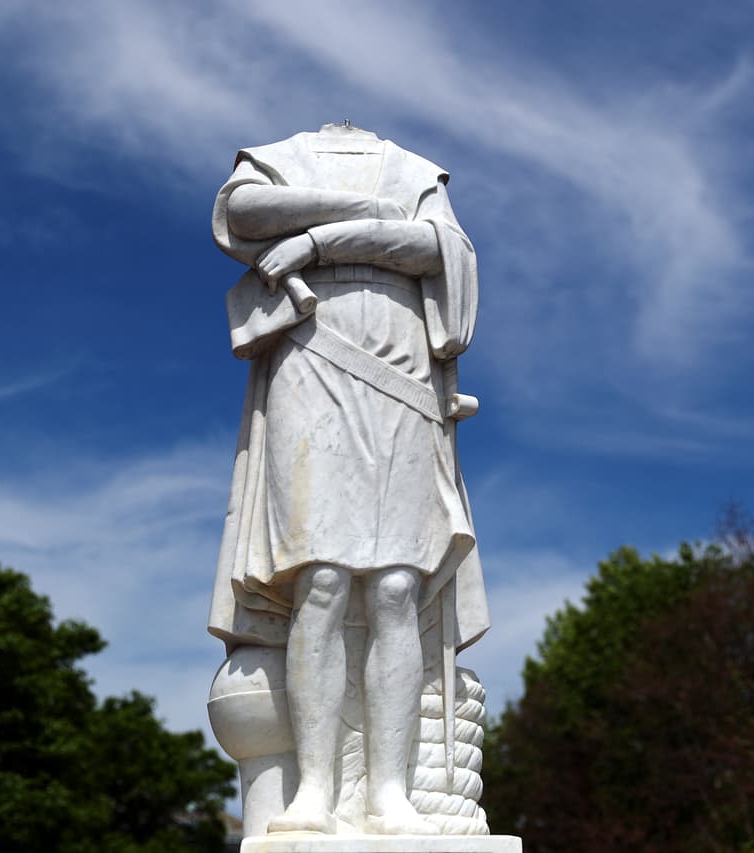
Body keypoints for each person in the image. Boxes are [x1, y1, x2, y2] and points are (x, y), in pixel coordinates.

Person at [207, 123, 490, 835]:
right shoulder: (279, 158)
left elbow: (441, 250)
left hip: (401, 365)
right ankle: (318, 791)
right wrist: (367, 219)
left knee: (398, 585)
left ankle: (389, 792)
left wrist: (318, 242)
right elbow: (241, 214)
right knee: (321, 581)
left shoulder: (416, 169)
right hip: (311, 350)